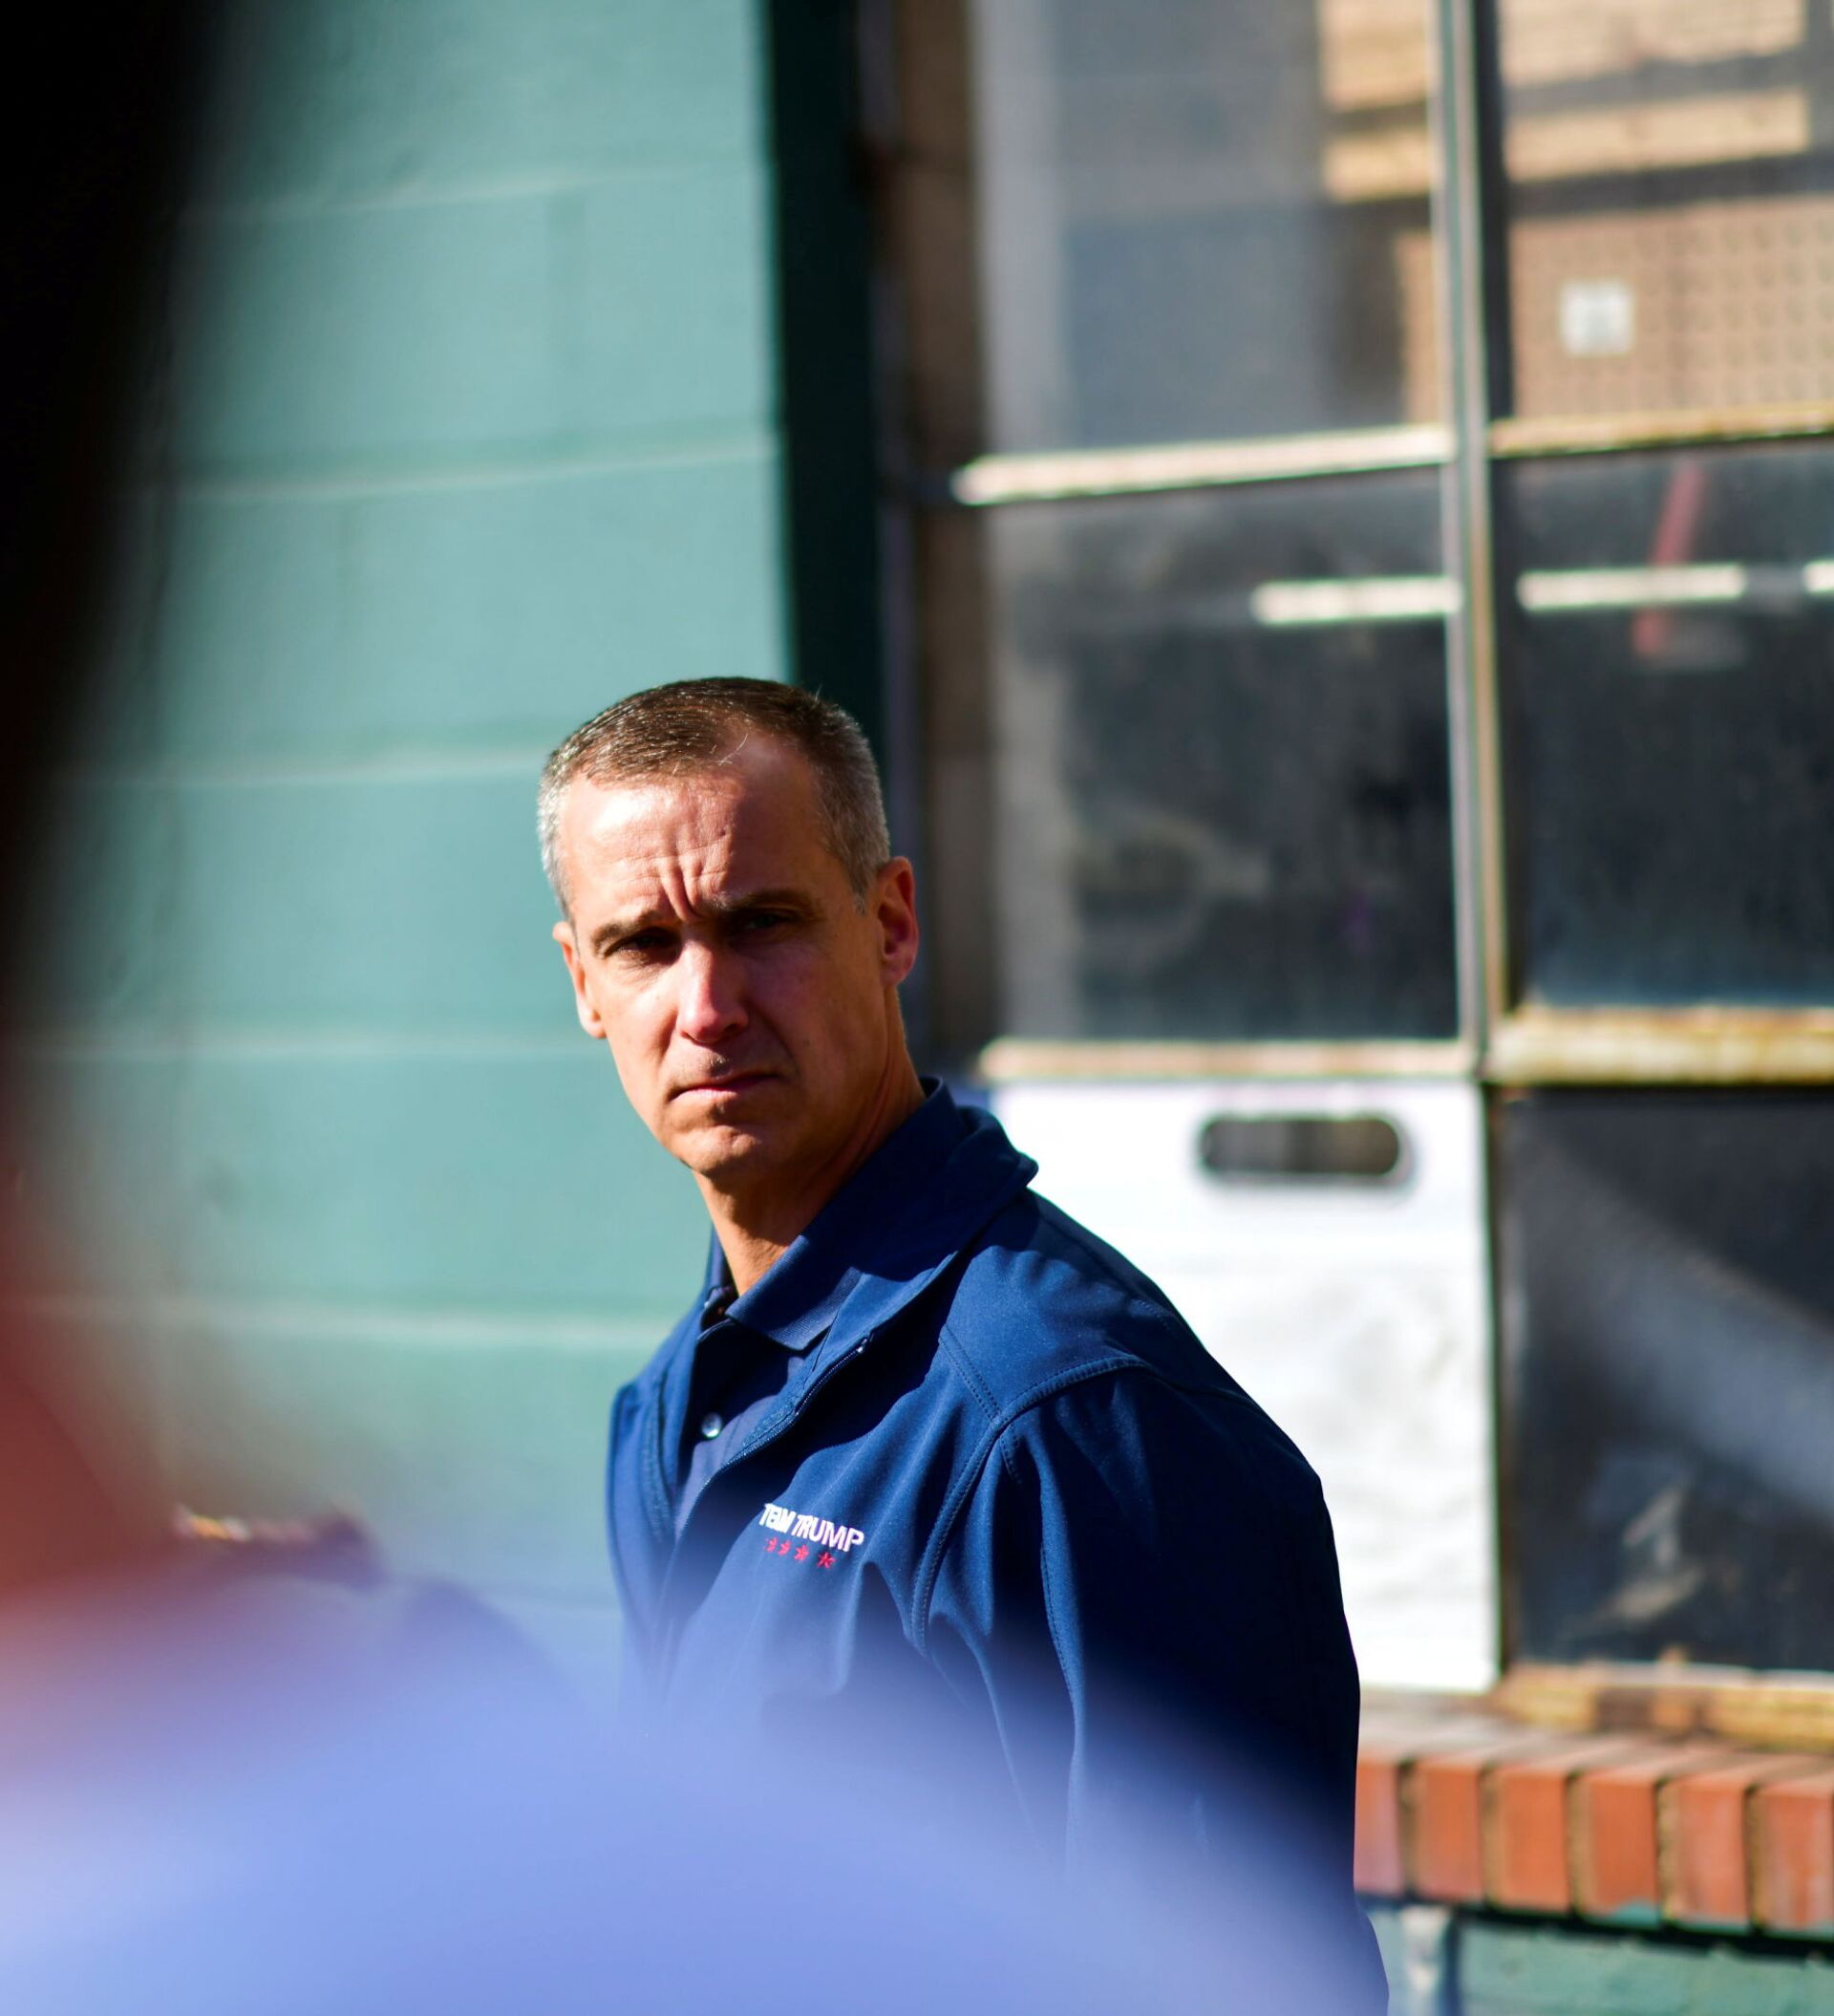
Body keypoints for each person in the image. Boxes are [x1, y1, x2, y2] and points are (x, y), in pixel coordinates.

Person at [541, 678, 1380, 1990]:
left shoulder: (1063, 1421)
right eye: (645, 944)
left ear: (890, 922)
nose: (706, 1007)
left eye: (763, 924)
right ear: (584, 982)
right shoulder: (673, 1412)